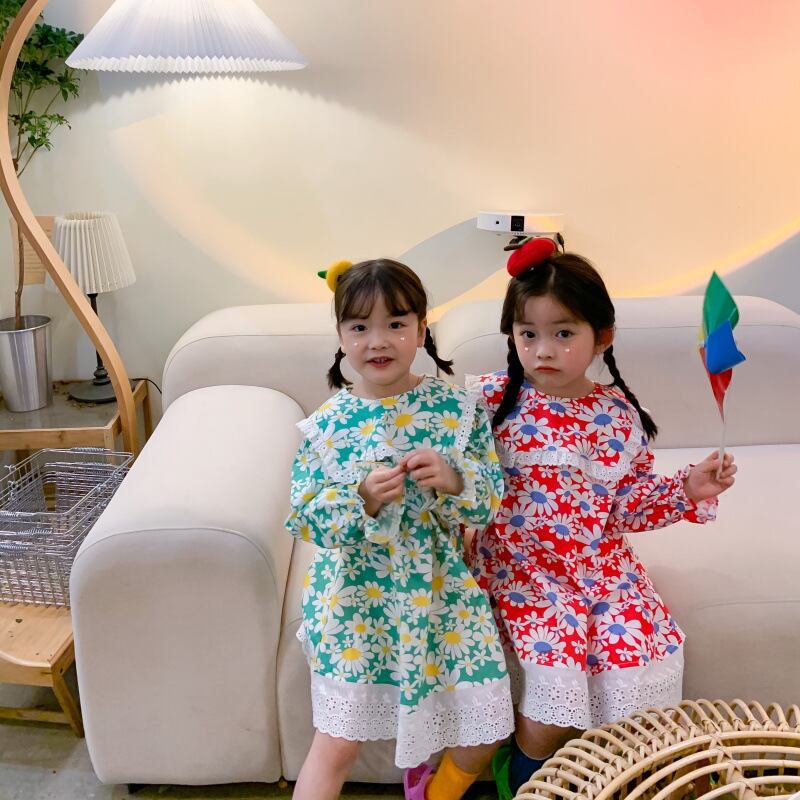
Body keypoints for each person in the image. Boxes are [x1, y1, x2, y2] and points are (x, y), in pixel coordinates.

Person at [467, 239, 737, 798]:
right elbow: (458, 481)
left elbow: (628, 504)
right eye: (527, 334)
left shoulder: (617, 414)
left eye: (564, 333)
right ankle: (527, 780)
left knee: (634, 648)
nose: (543, 350)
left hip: (598, 571)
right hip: (520, 574)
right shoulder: (488, 401)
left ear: (602, 337)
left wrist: (688, 488)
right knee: (549, 705)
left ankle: (623, 776)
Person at [286, 258, 514, 800]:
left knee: (484, 731)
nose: (378, 340)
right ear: (340, 335)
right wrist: (361, 498)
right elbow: (305, 516)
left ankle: (431, 792)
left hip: (441, 594)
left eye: (395, 323)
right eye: (359, 326)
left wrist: (454, 481)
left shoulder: (458, 410)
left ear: (421, 328)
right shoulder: (327, 425)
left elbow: (489, 502)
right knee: (337, 743)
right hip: (356, 601)